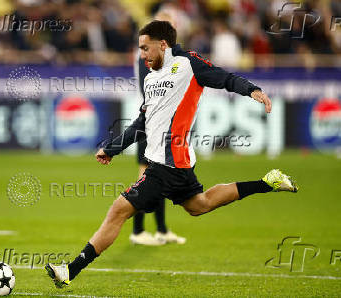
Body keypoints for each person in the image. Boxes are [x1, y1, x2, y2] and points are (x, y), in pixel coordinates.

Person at [45, 20, 298, 288]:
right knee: (199, 205)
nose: (142, 55)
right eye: (140, 50)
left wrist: (252, 89)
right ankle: (268, 182)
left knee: (118, 210)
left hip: (168, 163)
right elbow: (142, 123)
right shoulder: (152, 78)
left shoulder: (188, 63)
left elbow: (223, 77)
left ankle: (70, 270)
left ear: (162, 44)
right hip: (175, 162)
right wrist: (112, 148)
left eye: (145, 49)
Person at [130, 52, 186, 246]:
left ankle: (161, 229)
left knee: (159, 177)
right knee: (145, 177)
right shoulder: (146, 57)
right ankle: (137, 230)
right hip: (151, 122)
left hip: (162, 123)